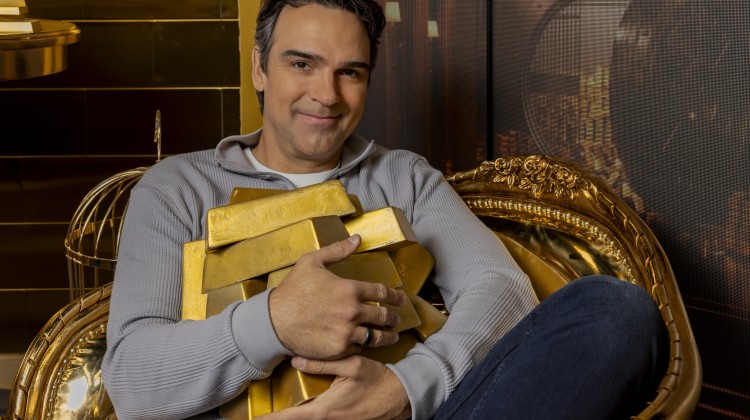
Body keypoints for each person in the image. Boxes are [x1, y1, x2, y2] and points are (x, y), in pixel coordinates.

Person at [102, 0, 668, 419]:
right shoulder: (176, 188)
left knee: (616, 311)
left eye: (350, 72)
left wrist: (404, 390)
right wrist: (276, 321)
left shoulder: (403, 177)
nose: (327, 94)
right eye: (302, 64)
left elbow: (501, 288)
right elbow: (131, 382)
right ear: (259, 68)